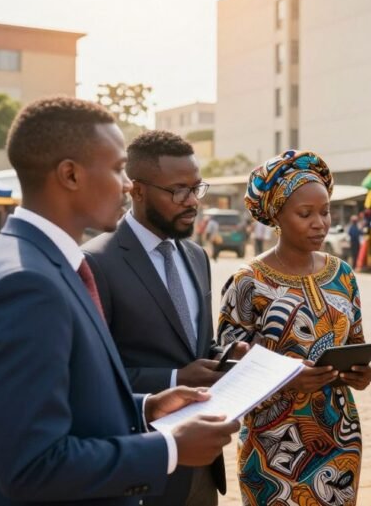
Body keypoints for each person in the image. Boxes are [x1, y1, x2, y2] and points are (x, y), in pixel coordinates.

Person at [0, 96, 238, 506]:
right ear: (70, 174)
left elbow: (72, 401)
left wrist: (147, 407)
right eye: (120, 169)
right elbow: (33, 465)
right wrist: (169, 449)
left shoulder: (29, 260)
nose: (128, 185)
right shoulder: (26, 284)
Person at [83, 130, 243, 506]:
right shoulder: (95, 262)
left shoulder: (196, 256)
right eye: (178, 191)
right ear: (136, 190)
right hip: (141, 464)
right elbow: (91, 375)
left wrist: (228, 354)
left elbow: (196, 344)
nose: (192, 202)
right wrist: (173, 378)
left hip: (202, 466)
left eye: (197, 189)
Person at [219, 149, 371, 506]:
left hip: (339, 436)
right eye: (306, 214)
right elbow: (225, 370)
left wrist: (361, 375)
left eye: (325, 211)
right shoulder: (248, 281)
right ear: (276, 215)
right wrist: (286, 379)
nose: (320, 223)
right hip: (273, 446)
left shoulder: (343, 275)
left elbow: (355, 344)